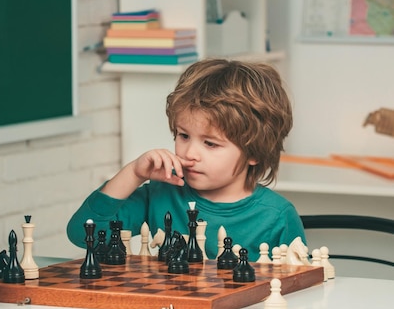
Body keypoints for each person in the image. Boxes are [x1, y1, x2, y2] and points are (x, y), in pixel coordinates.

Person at [67, 59, 306, 260]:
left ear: (254, 152)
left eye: (210, 143)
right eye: (183, 135)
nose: (189, 153)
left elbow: (300, 288)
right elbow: (81, 233)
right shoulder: (161, 195)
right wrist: (134, 173)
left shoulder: (277, 216)